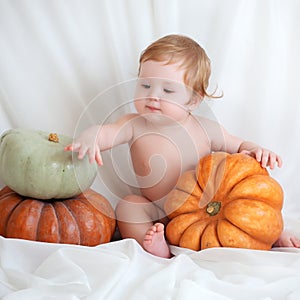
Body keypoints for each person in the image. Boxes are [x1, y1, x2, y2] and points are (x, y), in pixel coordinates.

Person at [65, 34, 299, 258]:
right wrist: (90, 138)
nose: (153, 96)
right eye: (145, 85)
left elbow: (239, 145)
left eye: (167, 90)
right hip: (158, 211)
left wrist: (257, 150)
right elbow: (107, 133)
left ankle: (273, 235)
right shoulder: (134, 124)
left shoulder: (205, 128)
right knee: (128, 206)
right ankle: (154, 246)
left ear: (194, 100)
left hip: (207, 212)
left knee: (245, 212)